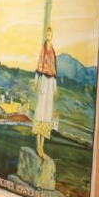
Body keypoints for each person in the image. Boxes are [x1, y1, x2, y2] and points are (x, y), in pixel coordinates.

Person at [33, 26, 57, 158]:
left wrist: (54, 87)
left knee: (47, 113)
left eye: (50, 33)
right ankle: (37, 146)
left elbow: (54, 70)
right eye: (47, 33)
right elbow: (39, 66)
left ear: (52, 35)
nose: (48, 35)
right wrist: (36, 81)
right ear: (45, 34)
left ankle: (42, 147)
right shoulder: (43, 50)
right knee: (40, 111)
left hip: (50, 83)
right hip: (43, 81)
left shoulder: (53, 50)